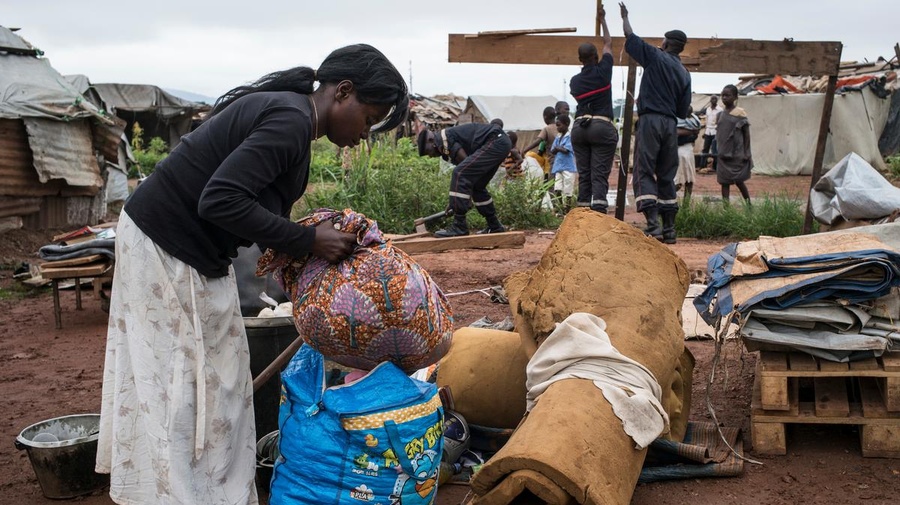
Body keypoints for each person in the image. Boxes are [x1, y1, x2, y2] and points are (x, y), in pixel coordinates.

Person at [95, 44, 408, 505]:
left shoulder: (295, 122)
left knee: (220, 378)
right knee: (183, 381)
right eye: (369, 118)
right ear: (344, 92)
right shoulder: (290, 120)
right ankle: (175, 494)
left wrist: (306, 257)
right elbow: (219, 201)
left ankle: (208, 490)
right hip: (164, 244)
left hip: (190, 248)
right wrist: (308, 241)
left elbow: (256, 209)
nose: (364, 135)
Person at [620, 2, 691, 245]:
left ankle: (653, 225)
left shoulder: (655, 56)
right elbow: (684, 110)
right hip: (670, 125)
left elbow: (630, 35)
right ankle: (669, 229)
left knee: (644, 169)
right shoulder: (684, 72)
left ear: (666, 43)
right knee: (666, 174)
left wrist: (625, 16)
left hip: (650, 121)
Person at [417, 122, 512, 236]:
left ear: (431, 141)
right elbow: (468, 176)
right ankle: (494, 225)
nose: (430, 156)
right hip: (500, 143)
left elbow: (463, 170)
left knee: (459, 173)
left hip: (495, 141)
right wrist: (456, 202)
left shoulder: (446, 138)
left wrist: (457, 204)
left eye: (428, 152)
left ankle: (459, 226)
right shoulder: (445, 147)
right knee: (477, 186)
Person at [569, 9, 617, 214]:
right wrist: (603, 20)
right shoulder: (604, 70)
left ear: (580, 60)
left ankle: (581, 215)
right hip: (601, 126)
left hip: (579, 127)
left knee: (585, 173)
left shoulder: (574, 82)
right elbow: (608, 43)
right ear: (596, 57)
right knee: (599, 174)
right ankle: (598, 215)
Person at [716, 84, 753, 204]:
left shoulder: (740, 113)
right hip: (723, 154)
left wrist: (747, 152)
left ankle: (748, 204)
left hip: (737, 154)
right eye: (723, 95)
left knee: (739, 181)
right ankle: (726, 209)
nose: (724, 98)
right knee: (724, 182)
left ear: (735, 97)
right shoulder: (720, 114)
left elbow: (746, 134)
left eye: (728, 95)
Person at [521, 106, 559, 178]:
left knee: (552, 181)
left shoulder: (547, 129)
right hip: (564, 159)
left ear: (545, 117)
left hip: (553, 159)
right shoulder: (560, 126)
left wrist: (525, 150)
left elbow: (538, 141)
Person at [550, 114, 577, 213]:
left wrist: (558, 148)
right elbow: (553, 150)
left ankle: (567, 209)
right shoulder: (558, 137)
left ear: (566, 124)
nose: (557, 128)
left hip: (568, 167)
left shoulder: (569, 137)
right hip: (558, 166)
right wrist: (557, 149)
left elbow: (566, 150)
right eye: (557, 125)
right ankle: (561, 207)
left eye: (559, 125)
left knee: (568, 189)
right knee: (557, 188)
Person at [674, 106, 701, 201]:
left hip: (686, 150)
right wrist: (691, 132)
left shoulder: (693, 121)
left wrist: (691, 133)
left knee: (686, 180)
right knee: (682, 180)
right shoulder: (678, 121)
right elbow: (676, 132)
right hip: (682, 152)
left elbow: (696, 133)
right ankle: (666, 200)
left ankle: (667, 201)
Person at [699, 95, 723, 173]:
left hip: (715, 131)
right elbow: (706, 120)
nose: (713, 100)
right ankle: (702, 166)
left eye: (715, 99)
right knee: (705, 148)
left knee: (715, 150)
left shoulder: (720, 110)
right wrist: (705, 131)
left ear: (717, 100)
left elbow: (721, 122)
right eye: (712, 99)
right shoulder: (708, 109)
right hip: (708, 131)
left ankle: (715, 167)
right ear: (710, 100)